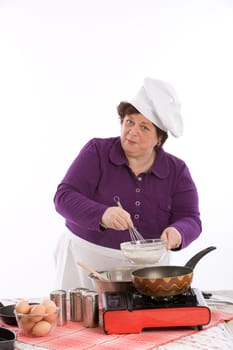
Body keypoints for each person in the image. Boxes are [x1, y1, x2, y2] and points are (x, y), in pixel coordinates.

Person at [53, 77, 202, 291]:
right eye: (129, 121)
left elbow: (191, 218)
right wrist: (102, 214)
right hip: (87, 259)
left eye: (144, 127)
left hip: (150, 269)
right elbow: (64, 197)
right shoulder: (96, 152)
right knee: (81, 322)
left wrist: (179, 232)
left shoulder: (177, 170)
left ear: (159, 138)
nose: (132, 131)